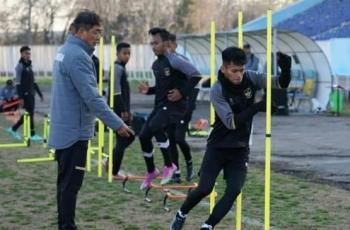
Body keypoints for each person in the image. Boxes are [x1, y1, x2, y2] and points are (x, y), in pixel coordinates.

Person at [169, 47, 291, 230]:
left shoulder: (251, 77)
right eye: (234, 71)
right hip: (218, 146)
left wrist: (286, 70)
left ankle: (208, 226)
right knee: (205, 189)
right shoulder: (217, 90)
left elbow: (280, 84)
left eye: (241, 70)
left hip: (240, 148)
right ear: (224, 69)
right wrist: (258, 107)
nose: (239, 75)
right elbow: (231, 122)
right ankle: (181, 213)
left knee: (234, 190)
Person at [48, 10, 134, 230]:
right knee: (70, 185)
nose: (99, 37)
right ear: (80, 31)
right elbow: (92, 98)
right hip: (73, 133)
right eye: (95, 32)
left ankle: (65, 225)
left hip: (64, 129)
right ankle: (67, 226)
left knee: (65, 184)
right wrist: (118, 125)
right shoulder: (78, 56)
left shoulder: (65, 51)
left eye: (100, 32)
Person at [137, 28, 201, 190]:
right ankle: (152, 170)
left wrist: (182, 92)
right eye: (151, 43)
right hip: (160, 105)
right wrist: (149, 90)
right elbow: (161, 87)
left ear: (166, 43)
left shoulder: (174, 60)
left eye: (156, 43)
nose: (153, 46)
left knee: (158, 128)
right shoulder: (156, 64)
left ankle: (170, 166)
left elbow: (196, 75)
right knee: (143, 135)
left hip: (175, 106)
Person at [167, 33, 201, 182]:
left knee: (179, 138)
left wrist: (189, 104)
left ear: (174, 45)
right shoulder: (163, 63)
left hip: (184, 107)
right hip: (169, 108)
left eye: (169, 45)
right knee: (171, 139)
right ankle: (176, 172)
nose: (166, 49)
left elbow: (195, 81)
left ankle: (189, 165)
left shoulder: (181, 61)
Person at [104, 42, 135, 177]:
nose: (127, 56)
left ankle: (109, 162)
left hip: (123, 109)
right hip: (118, 110)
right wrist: (123, 110)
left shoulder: (121, 68)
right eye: (125, 53)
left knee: (129, 137)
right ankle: (113, 171)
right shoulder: (117, 68)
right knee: (124, 139)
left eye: (129, 54)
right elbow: (116, 92)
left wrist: (128, 109)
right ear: (117, 54)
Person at [5, 46, 43, 141]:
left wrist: (39, 93)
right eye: (26, 53)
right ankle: (32, 134)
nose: (28, 55)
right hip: (25, 94)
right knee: (30, 113)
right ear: (22, 54)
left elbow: (34, 82)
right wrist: (20, 97)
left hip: (31, 94)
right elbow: (17, 83)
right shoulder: (19, 66)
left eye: (29, 53)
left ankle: (13, 129)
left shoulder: (30, 65)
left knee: (29, 113)